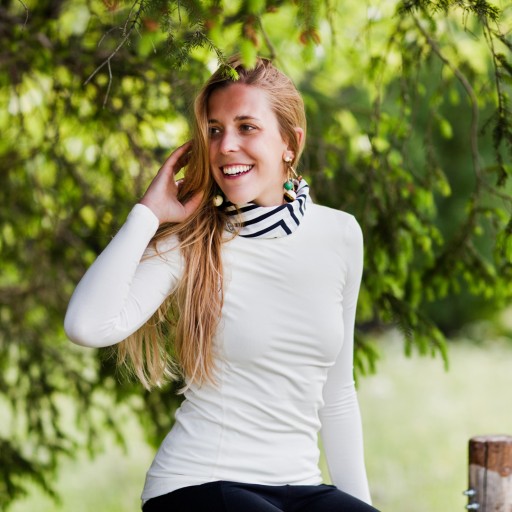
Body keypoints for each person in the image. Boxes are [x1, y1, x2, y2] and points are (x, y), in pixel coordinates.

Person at [64, 55, 379, 512]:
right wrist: (148, 214)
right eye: (214, 130)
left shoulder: (340, 234)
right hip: (199, 484)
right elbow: (86, 325)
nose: (226, 145)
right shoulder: (190, 242)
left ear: (290, 143)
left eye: (246, 127)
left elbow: (337, 392)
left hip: (299, 486)